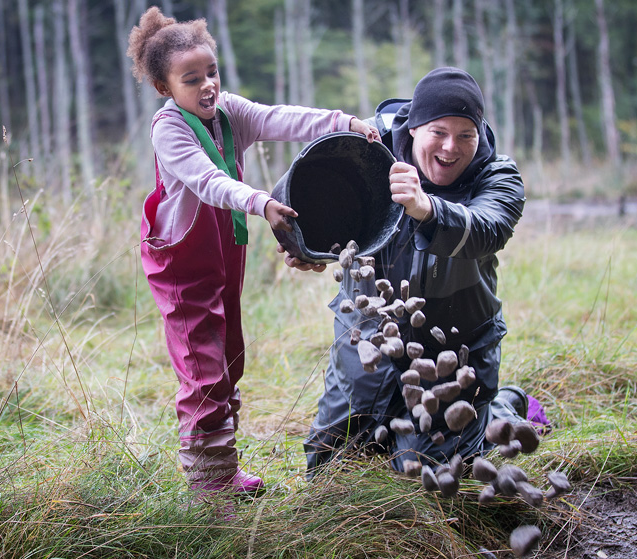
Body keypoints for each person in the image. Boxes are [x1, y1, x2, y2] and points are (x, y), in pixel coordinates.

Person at [127, 7, 378, 496]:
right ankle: (209, 486)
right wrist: (261, 202)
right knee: (202, 368)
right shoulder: (169, 129)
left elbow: (279, 118)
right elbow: (207, 180)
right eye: (191, 78)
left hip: (223, 251)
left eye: (212, 73)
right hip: (182, 261)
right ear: (164, 88)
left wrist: (343, 122)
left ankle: (224, 467)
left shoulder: (228, 112)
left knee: (228, 358)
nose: (207, 86)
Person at [290, 67, 536, 477]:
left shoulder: (498, 175)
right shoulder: (367, 149)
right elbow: (307, 197)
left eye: (466, 135)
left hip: (457, 349)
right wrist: (300, 244)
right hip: (368, 336)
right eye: (438, 132)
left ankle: (501, 405)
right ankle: (387, 420)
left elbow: (487, 230)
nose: (451, 148)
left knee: (428, 473)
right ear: (414, 126)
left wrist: (426, 209)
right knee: (328, 467)